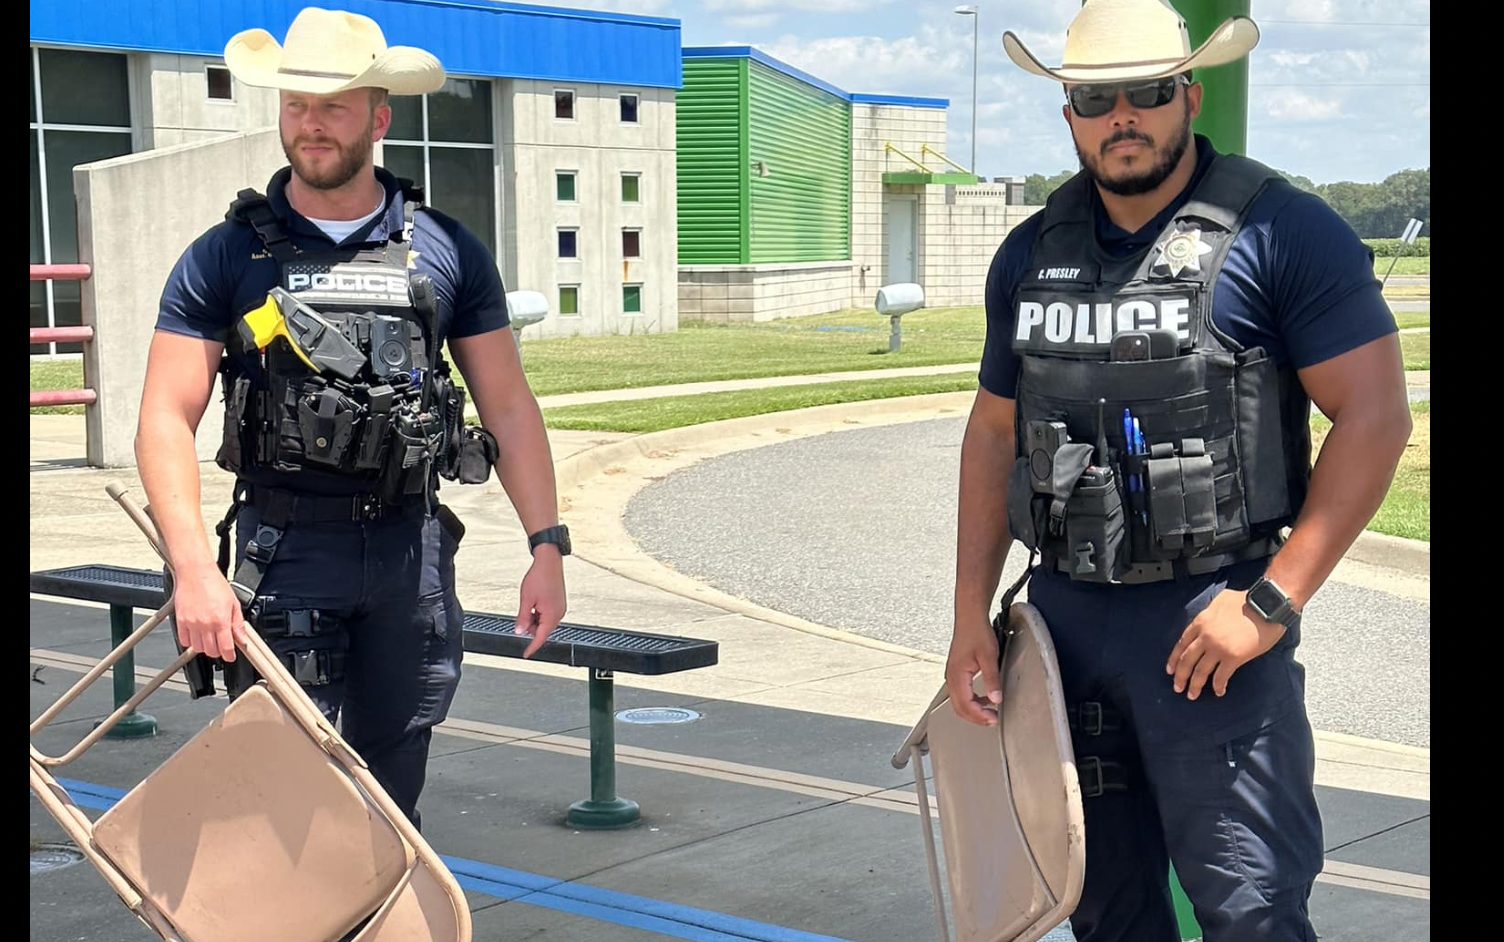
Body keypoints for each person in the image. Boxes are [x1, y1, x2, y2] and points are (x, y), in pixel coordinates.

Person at [944, 0, 1410, 939]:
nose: (1124, 115)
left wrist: (1271, 603)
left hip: (1215, 616)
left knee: (1250, 907)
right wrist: (967, 620)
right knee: (1100, 907)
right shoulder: (1031, 253)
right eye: (1095, 97)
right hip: (1066, 621)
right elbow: (994, 434)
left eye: (1148, 92)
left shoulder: (1282, 233)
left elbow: (1376, 418)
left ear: (1187, 96)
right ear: (1068, 113)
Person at [136, 6, 571, 829]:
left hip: (410, 556)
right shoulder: (226, 255)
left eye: (333, 106)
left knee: (391, 785)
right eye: (296, 105)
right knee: (280, 792)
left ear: (379, 114)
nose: (311, 125)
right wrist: (193, 570)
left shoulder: (447, 249)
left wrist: (546, 545)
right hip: (285, 548)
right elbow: (164, 413)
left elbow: (506, 403)